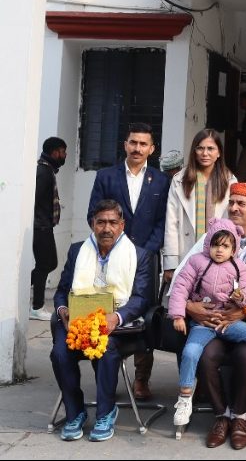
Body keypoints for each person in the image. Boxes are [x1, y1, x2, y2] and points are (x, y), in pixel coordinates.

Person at [173, 182, 246, 450]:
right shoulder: (210, 240)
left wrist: (245, 309)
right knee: (206, 355)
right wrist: (190, 307)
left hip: (245, 322)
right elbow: (181, 281)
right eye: (231, 203)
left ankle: (240, 418)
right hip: (209, 322)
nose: (234, 208)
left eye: (241, 203)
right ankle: (221, 416)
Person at [51, 199, 153, 442]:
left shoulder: (139, 255)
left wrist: (116, 317)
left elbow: (141, 299)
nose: (107, 228)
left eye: (112, 222)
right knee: (60, 353)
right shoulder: (77, 251)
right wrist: (63, 310)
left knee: (105, 350)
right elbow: (61, 291)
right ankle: (75, 412)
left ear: (122, 225)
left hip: (118, 327)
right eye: (101, 222)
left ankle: (106, 413)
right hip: (77, 323)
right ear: (92, 224)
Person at [86, 123, 170, 401]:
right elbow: (93, 215)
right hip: (110, 258)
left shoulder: (161, 181)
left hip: (146, 258)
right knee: (108, 310)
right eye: (133, 142)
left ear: (152, 149)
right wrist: (117, 247)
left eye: (143, 144)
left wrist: (143, 252)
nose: (137, 148)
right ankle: (107, 375)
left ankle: (141, 378)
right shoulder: (106, 177)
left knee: (145, 315)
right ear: (125, 144)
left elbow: (163, 222)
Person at [164, 129, 237, 281]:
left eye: (210, 149)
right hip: (186, 251)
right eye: (200, 148)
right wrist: (170, 263)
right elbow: (171, 223)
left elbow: (233, 224)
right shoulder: (179, 180)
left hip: (218, 254)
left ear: (219, 153)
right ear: (194, 151)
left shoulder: (230, 181)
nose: (205, 153)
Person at [30, 136, 67, 321]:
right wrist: (40, 221)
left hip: (45, 225)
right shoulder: (43, 172)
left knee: (49, 263)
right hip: (40, 227)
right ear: (54, 152)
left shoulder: (48, 169)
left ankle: (21, 287)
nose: (65, 155)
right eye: (63, 152)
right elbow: (34, 200)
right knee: (45, 264)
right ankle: (37, 307)